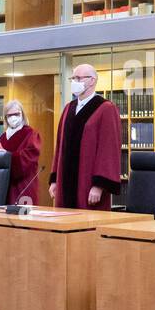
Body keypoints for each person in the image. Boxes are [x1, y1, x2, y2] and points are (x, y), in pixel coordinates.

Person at [49, 64, 122, 211]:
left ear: (92, 81)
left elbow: (108, 150)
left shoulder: (106, 108)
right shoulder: (69, 108)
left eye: (79, 78)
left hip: (88, 185)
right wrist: (55, 180)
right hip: (65, 184)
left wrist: (99, 185)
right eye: (73, 78)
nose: (75, 82)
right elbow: (60, 147)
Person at [0, 99, 41, 205]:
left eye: (16, 114)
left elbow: (29, 157)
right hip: (4, 187)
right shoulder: (3, 137)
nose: (13, 117)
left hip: (22, 186)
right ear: (6, 118)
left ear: (22, 114)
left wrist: (7, 156)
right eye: (9, 115)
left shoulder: (31, 134)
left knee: (21, 218)